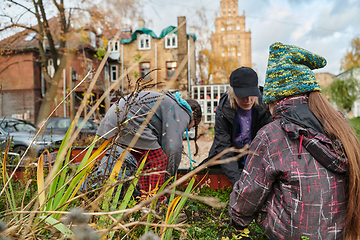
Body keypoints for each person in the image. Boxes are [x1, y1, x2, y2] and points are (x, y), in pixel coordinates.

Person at [229, 42, 360, 239]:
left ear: (274, 98)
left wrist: (237, 221)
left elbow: (245, 200)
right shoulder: (340, 127)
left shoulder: (271, 135)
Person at [96, 90, 202, 200]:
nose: (189, 128)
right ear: (193, 113)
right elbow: (173, 148)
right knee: (159, 160)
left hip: (113, 119)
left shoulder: (169, 103)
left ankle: (146, 200)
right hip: (130, 120)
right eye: (194, 125)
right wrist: (168, 177)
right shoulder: (183, 112)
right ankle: (156, 203)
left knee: (145, 162)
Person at [207, 67, 272, 185]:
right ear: (232, 93)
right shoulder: (223, 110)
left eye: (252, 94)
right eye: (243, 95)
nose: (248, 100)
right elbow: (223, 147)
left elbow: (270, 143)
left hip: (256, 157)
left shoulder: (265, 106)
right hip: (230, 159)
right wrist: (239, 183)